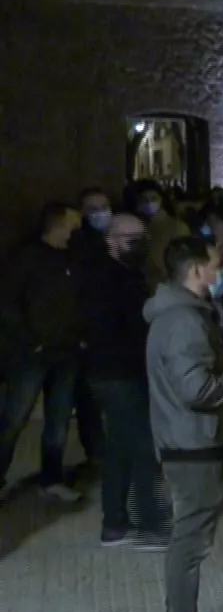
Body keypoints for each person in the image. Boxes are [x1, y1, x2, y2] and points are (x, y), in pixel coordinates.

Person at [145, 236, 223, 612]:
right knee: (190, 545)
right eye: (213, 265)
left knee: (187, 539)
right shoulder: (185, 322)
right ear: (194, 272)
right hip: (195, 445)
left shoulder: (178, 315)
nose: (219, 271)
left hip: (187, 441)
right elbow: (197, 389)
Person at [76, 212, 168, 548]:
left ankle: (115, 524)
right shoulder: (107, 278)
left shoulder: (126, 273)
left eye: (142, 236)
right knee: (143, 448)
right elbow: (117, 330)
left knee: (120, 448)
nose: (140, 243)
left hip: (117, 373)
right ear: (110, 241)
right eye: (131, 238)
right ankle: (152, 525)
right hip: (119, 374)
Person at [0, 202, 87, 501]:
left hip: (67, 352)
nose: (79, 229)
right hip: (31, 355)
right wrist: (29, 340)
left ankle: (51, 478)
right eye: (74, 224)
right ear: (58, 225)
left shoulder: (73, 257)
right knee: (13, 419)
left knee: (59, 420)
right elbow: (8, 303)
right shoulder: (26, 258)